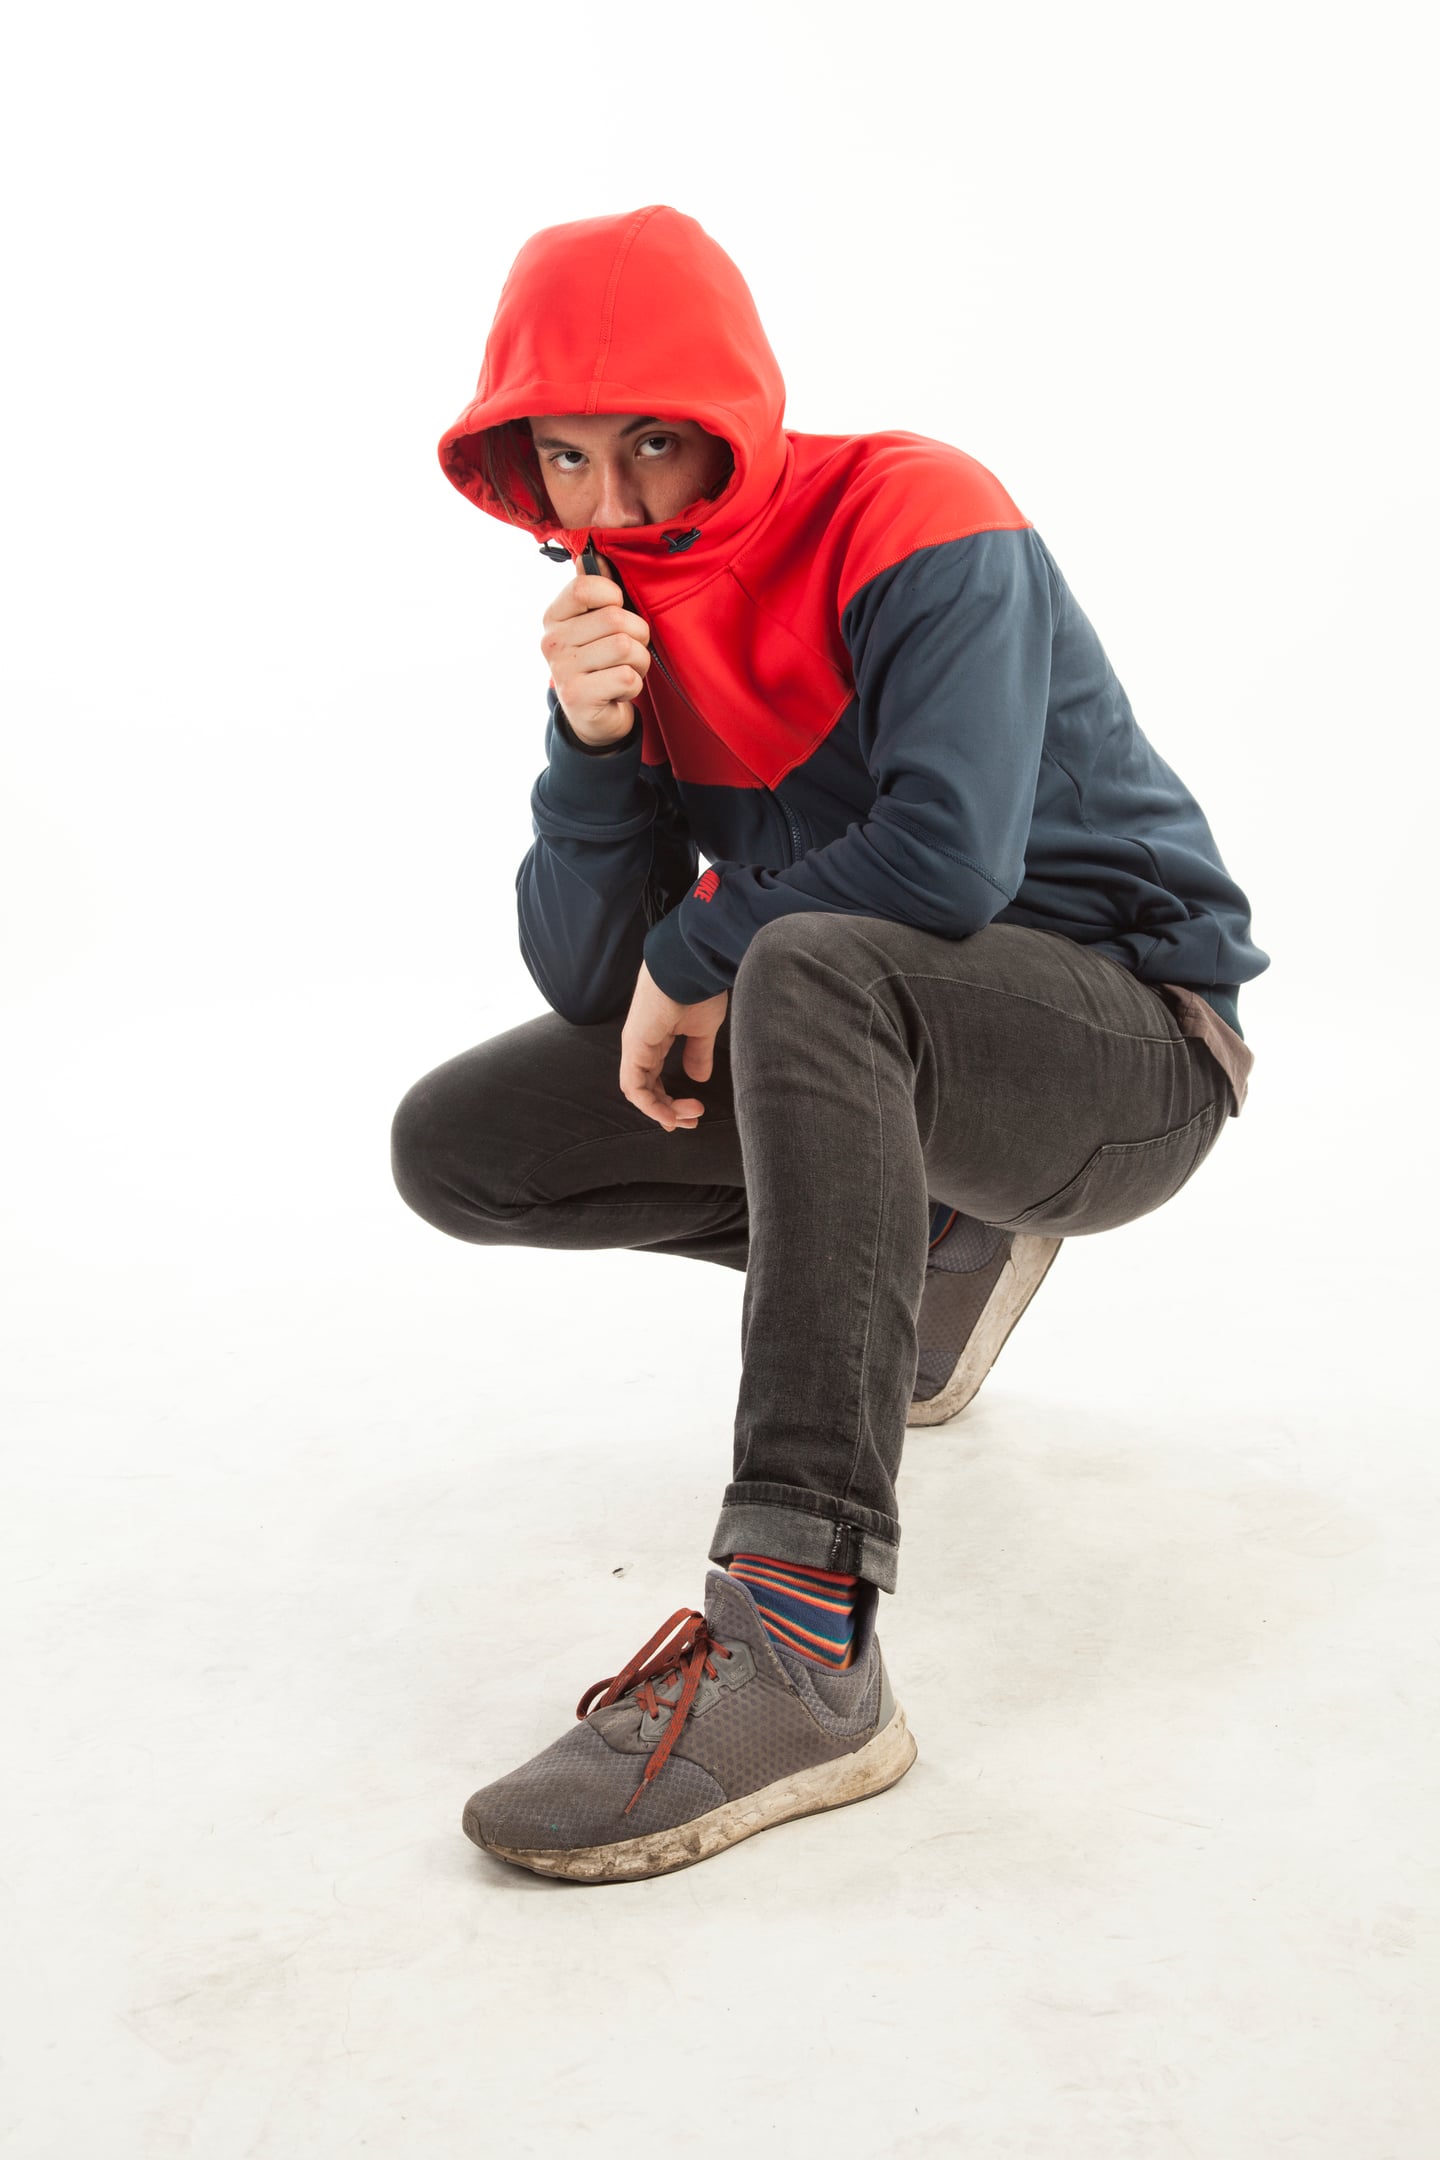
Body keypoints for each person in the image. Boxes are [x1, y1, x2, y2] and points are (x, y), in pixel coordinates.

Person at [391, 204, 1269, 1885]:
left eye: (652, 443)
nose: (613, 501)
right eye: (565, 457)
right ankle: (933, 1241)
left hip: (1134, 1052)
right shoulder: (621, 615)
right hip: (863, 1041)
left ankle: (802, 1638)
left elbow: (948, 864)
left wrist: (698, 945)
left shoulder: (918, 511)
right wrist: (590, 743)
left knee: (804, 960)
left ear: (727, 412)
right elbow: (592, 984)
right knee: (467, 1144)